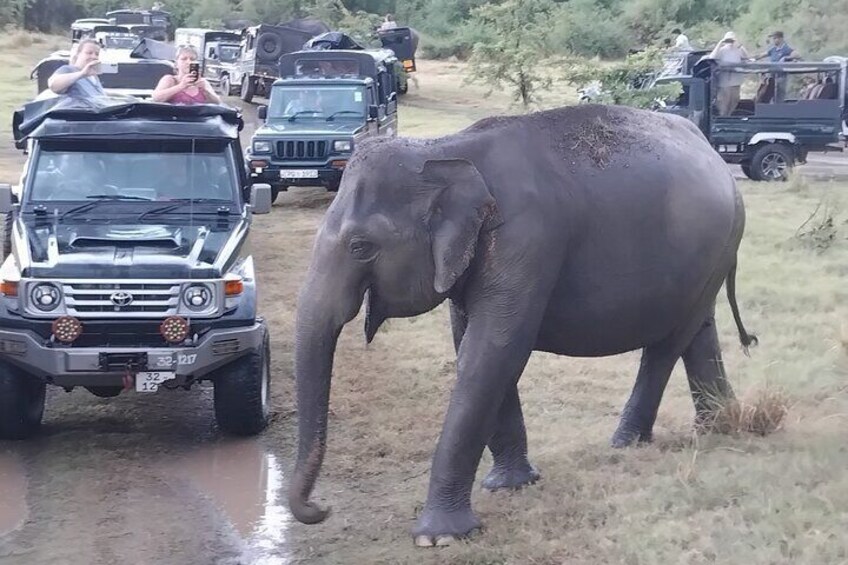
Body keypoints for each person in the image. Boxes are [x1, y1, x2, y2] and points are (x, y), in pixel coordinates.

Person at [151, 45, 221, 105]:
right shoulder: (170, 79)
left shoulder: (203, 82)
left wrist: (205, 91)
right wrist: (181, 86)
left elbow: (218, 102)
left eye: (192, 59)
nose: (189, 62)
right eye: (184, 59)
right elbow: (156, 98)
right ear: (176, 63)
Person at [709, 31, 751, 116]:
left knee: (735, 100)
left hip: (736, 80)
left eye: (731, 41)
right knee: (725, 102)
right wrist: (720, 43)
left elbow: (747, 57)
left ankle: (729, 116)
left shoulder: (738, 50)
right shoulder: (722, 50)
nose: (730, 43)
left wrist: (739, 45)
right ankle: (723, 118)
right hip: (725, 81)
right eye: (728, 40)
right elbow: (712, 57)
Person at [755, 31, 799, 103]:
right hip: (772, 77)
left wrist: (786, 58)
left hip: (781, 77)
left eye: (775, 38)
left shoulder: (786, 48)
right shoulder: (773, 49)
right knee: (769, 95)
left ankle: (779, 110)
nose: (774, 40)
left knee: (779, 95)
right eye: (773, 38)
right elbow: (762, 54)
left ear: (781, 39)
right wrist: (753, 59)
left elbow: (797, 55)